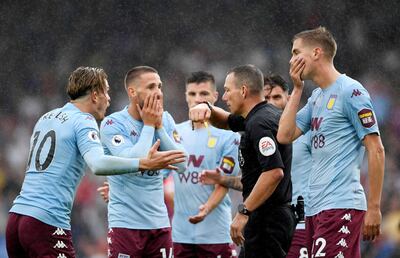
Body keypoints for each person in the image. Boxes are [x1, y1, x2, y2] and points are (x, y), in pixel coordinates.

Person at [5, 66, 186, 258]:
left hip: (17, 217)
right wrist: (143, 164)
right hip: (46, 219)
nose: (108, 99)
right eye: (106, 92)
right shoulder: (83, 120)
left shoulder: (46, 118)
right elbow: (98, 164)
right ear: (94, 95)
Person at [277, 26, 385, 258]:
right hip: (315, 210)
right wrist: (296, 89)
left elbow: (376, 149)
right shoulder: (316, 97)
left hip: (340, 204)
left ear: (316, 53)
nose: (291, 59)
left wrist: (374, 207)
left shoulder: (351, 91)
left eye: (296, 52)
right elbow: (284, 136)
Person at [189, 65, 296, 258]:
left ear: (244, 91)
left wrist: (243, 212)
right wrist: (206, 107)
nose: (224, 97)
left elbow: (274, 172)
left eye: (228, 90)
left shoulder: (259, 123)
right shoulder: (258, 116)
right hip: (269, 217)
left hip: (267, 219)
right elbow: (226, 121)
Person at [99, 66, 187, 258]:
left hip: (160, 225)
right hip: (125, 226)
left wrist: (160, 128)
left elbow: (182, 165)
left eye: (160, 86)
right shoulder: (113, 124)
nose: (158, 92)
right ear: (132, 92)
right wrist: (148, 126)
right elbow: (134, 164)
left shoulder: (166, 119)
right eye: (151, 87)